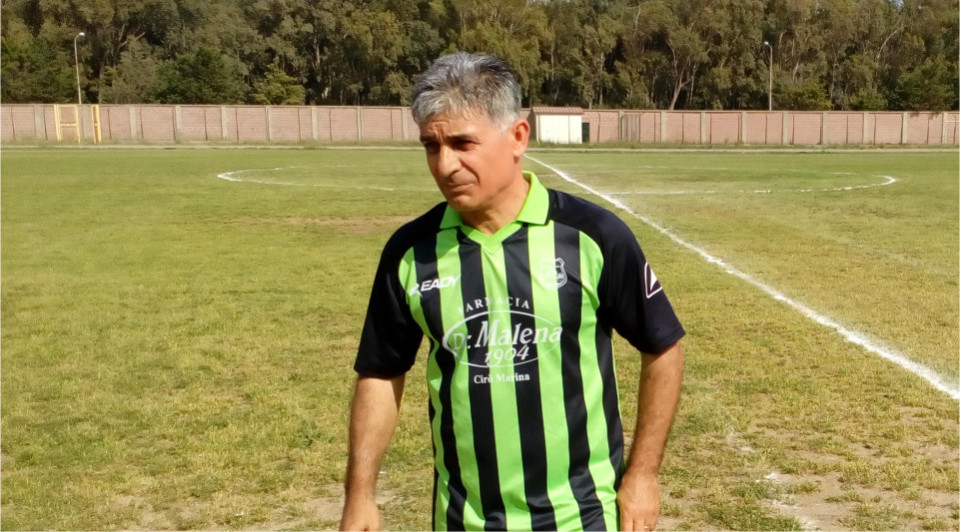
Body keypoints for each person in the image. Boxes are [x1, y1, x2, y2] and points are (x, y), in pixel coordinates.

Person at [340, 52, 685, 532]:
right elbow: (381, 373)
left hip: (582, 517)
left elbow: (663, 346)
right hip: (464, 520)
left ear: (518, 137)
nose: (445, 165)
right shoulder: (411, 252)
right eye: (431, 146)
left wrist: (643, 474)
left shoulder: (591, 236)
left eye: (463, 143)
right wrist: (360, 495)